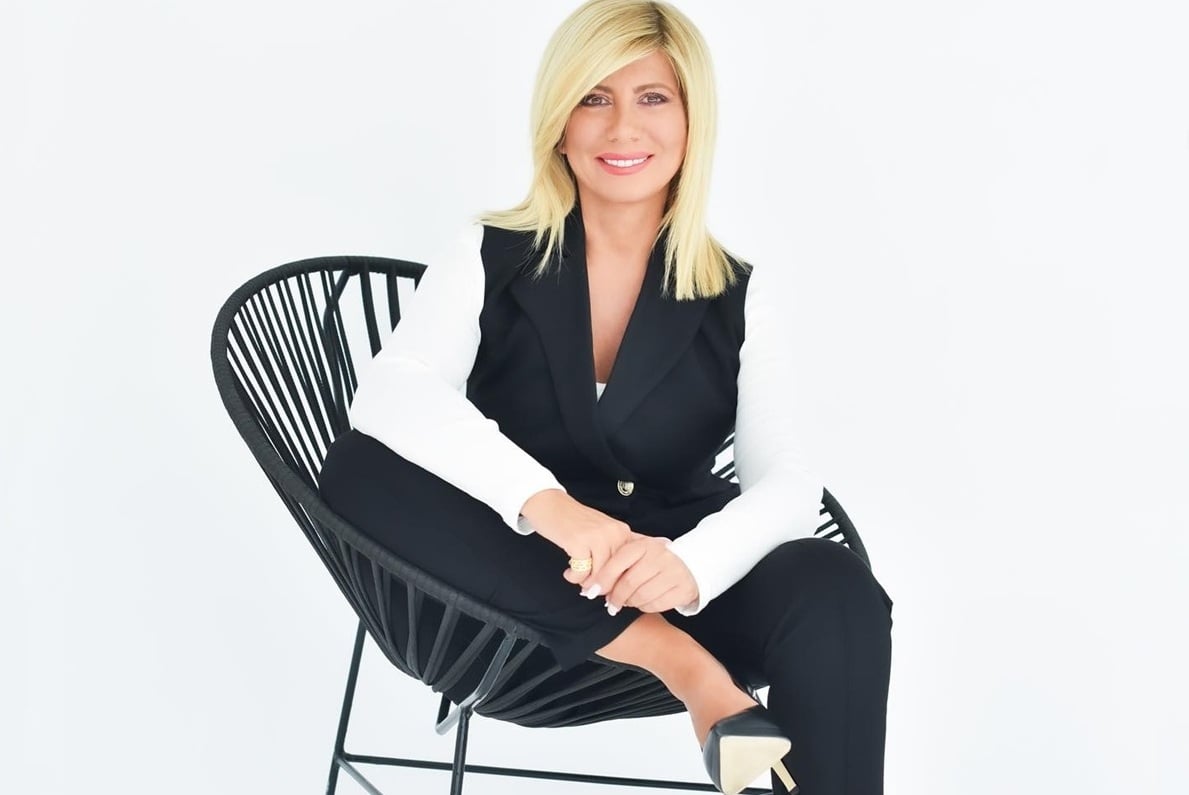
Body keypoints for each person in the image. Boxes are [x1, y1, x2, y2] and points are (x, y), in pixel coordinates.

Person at [318, 1, 894, 792]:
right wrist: (550, 506)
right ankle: (686, 670)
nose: (623, 127)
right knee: (360, 464)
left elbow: (788, 484)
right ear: (559, 122)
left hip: (670, 575)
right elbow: (394, 392)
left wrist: (689, 566)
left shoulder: (739, 293)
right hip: (499, 598)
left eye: (652, 98)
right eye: (594, 97)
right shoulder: (488, 253)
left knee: (832, 584)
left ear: (692, 122)